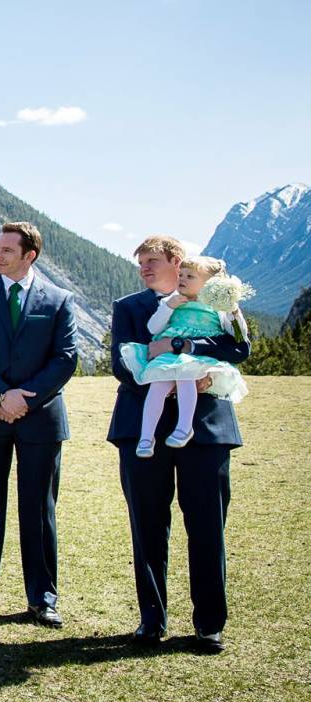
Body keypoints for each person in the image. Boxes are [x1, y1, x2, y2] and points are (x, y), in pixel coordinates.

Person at [110, 236, 250, 653]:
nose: (145, 270)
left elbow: (237, 347)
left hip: (206, 429)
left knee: (208, 525)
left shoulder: (215, 298)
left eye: (152, 262)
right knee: (148, 525)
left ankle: (209, 624)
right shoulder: (129, 307)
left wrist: (183, 351)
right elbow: (122, 363)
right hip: (142, 428)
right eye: (140, 265)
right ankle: (151, 620)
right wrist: (164, 379)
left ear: (177, 262)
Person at [0, 221, 78, 627]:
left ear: (30, 255)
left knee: (39, 510)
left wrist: (25, 398)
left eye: (8, 249)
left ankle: (42, 599)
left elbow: (65, 358)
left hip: (39, 419)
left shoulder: (59, 300)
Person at [120, 255, 250, 458]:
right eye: (181, 274)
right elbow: (153, 327)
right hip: (168, 357)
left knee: (185, 377)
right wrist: (169, 307)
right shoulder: (170, 302)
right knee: (157, 385)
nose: (182, 278)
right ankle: (146, 436)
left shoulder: (217, 309)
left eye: (190, 276)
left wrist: (233, 310)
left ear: (210, 285)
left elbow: (239, 337)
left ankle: (184, 427)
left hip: (195, 358)